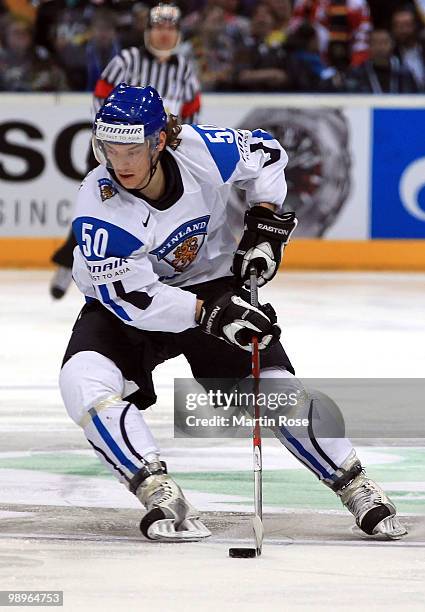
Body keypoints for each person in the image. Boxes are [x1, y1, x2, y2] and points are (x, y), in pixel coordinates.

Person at [59, 82, 407, 542]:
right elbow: (135, 299)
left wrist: (265, 223)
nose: (119, 164)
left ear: (159, 141)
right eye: (109, 149)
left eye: (131, 150)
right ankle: (158, 489)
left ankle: (355, 483)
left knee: (276, 391)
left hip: (214, 284)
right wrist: (210, 313)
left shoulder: (202, 151)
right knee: (83, 380)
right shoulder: (99, 206)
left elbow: (267, 152)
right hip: (133, 306)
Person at [49, 2, 201, 299]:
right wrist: (113, 140)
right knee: (95, 208)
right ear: (147, 32)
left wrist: (168, 148)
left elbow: (191, 117)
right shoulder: (128, 60)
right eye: (158, 28)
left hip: (160, 159)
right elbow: (100, 97)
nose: (164, 35)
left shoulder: (184, 70)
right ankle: (72, 262)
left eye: (170, 29)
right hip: (115, 152)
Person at [346, 28, 419, 93]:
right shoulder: (358, 73)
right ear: (369, 46)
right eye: (375, 43)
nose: (380, 47)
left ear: (392, 45)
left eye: (384, 42)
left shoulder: (404, 73)